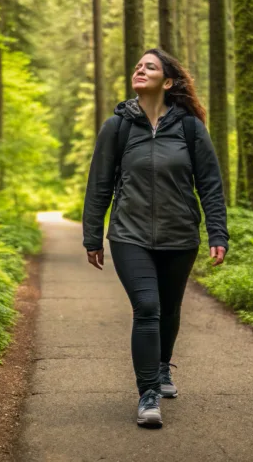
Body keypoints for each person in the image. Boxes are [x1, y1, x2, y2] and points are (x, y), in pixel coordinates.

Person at [82, 48, 229, 428]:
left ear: (167, 81)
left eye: (150, 66)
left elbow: (209, 183)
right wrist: (92, 235)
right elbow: (99, 183)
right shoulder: (117, 126)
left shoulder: (190, 127)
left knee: (169, 308)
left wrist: (218, 231)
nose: (140, 69)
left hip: (180, 234)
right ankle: (148, 393)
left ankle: (162, 366)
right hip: (129, 234)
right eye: (137, 65)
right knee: (147, 306)